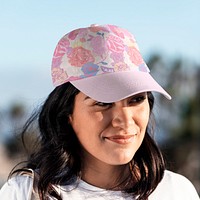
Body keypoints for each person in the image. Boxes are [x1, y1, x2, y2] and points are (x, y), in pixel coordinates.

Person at [0, 24, 199, 200]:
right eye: (104, 102)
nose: (125, 120)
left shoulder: (175, 191)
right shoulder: (26, 193)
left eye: (137, 99)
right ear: (67, 114)